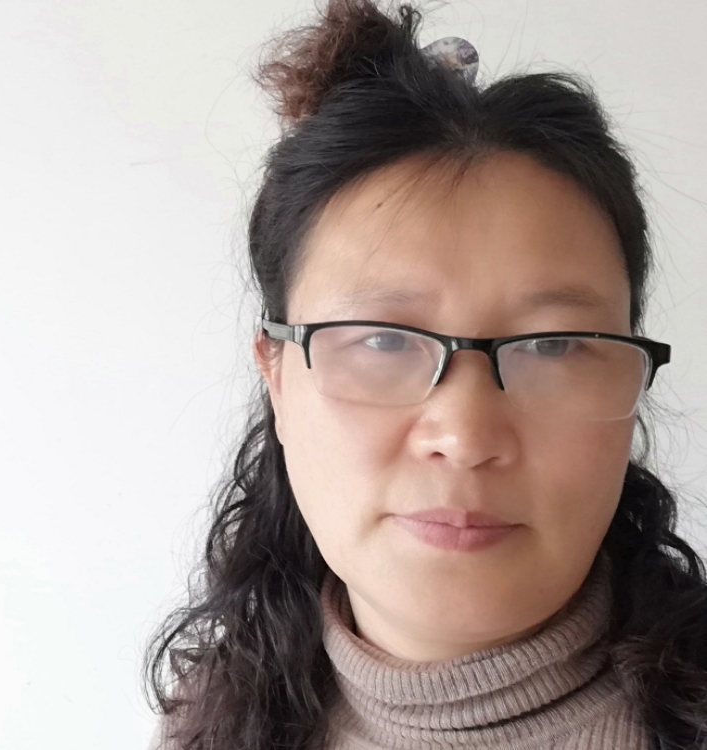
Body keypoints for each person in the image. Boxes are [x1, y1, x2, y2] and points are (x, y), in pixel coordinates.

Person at [142, 1, 707, 748]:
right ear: (276, 377)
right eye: (383, 340)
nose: (466, 436)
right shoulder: (210, 722)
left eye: (551, 346)